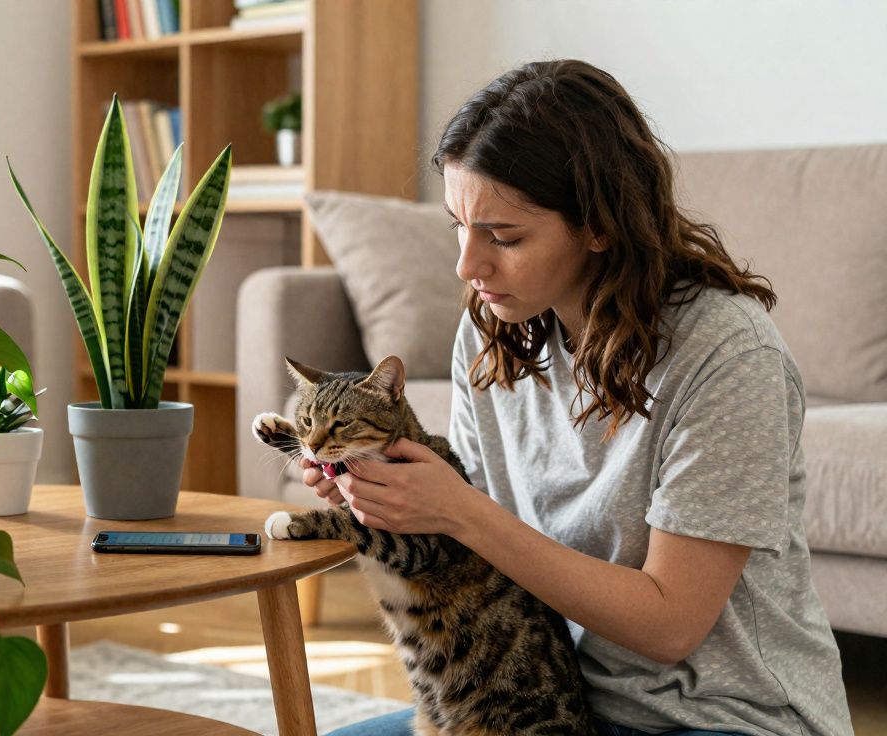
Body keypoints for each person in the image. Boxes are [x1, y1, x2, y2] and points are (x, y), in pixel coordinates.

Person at [311, 60, 853, 736]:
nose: (467, 266)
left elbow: (670, 624)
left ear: (599, 226)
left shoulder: (727, 355)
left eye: (503, 236)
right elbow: (474, 564)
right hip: (557, 706)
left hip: (730, 719)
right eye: (459, 225)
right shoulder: (490, 335)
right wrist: (378, 488)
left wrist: (463, 512)